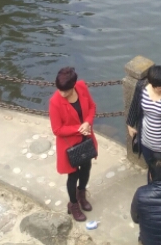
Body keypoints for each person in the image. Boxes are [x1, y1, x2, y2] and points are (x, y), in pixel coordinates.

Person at [49, 66, 97, 222]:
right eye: (60, 90)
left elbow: (91, 107)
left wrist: (88, 122)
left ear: (74, 85)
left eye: (66, 91)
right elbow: (57, 129)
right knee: (73, 174)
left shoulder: (81, 87)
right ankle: (73, 203)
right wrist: (79, 128)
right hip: (69, 143)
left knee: (87, 166)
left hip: (85, 137)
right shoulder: (55, 102)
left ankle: (81, 193)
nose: (62, 94)